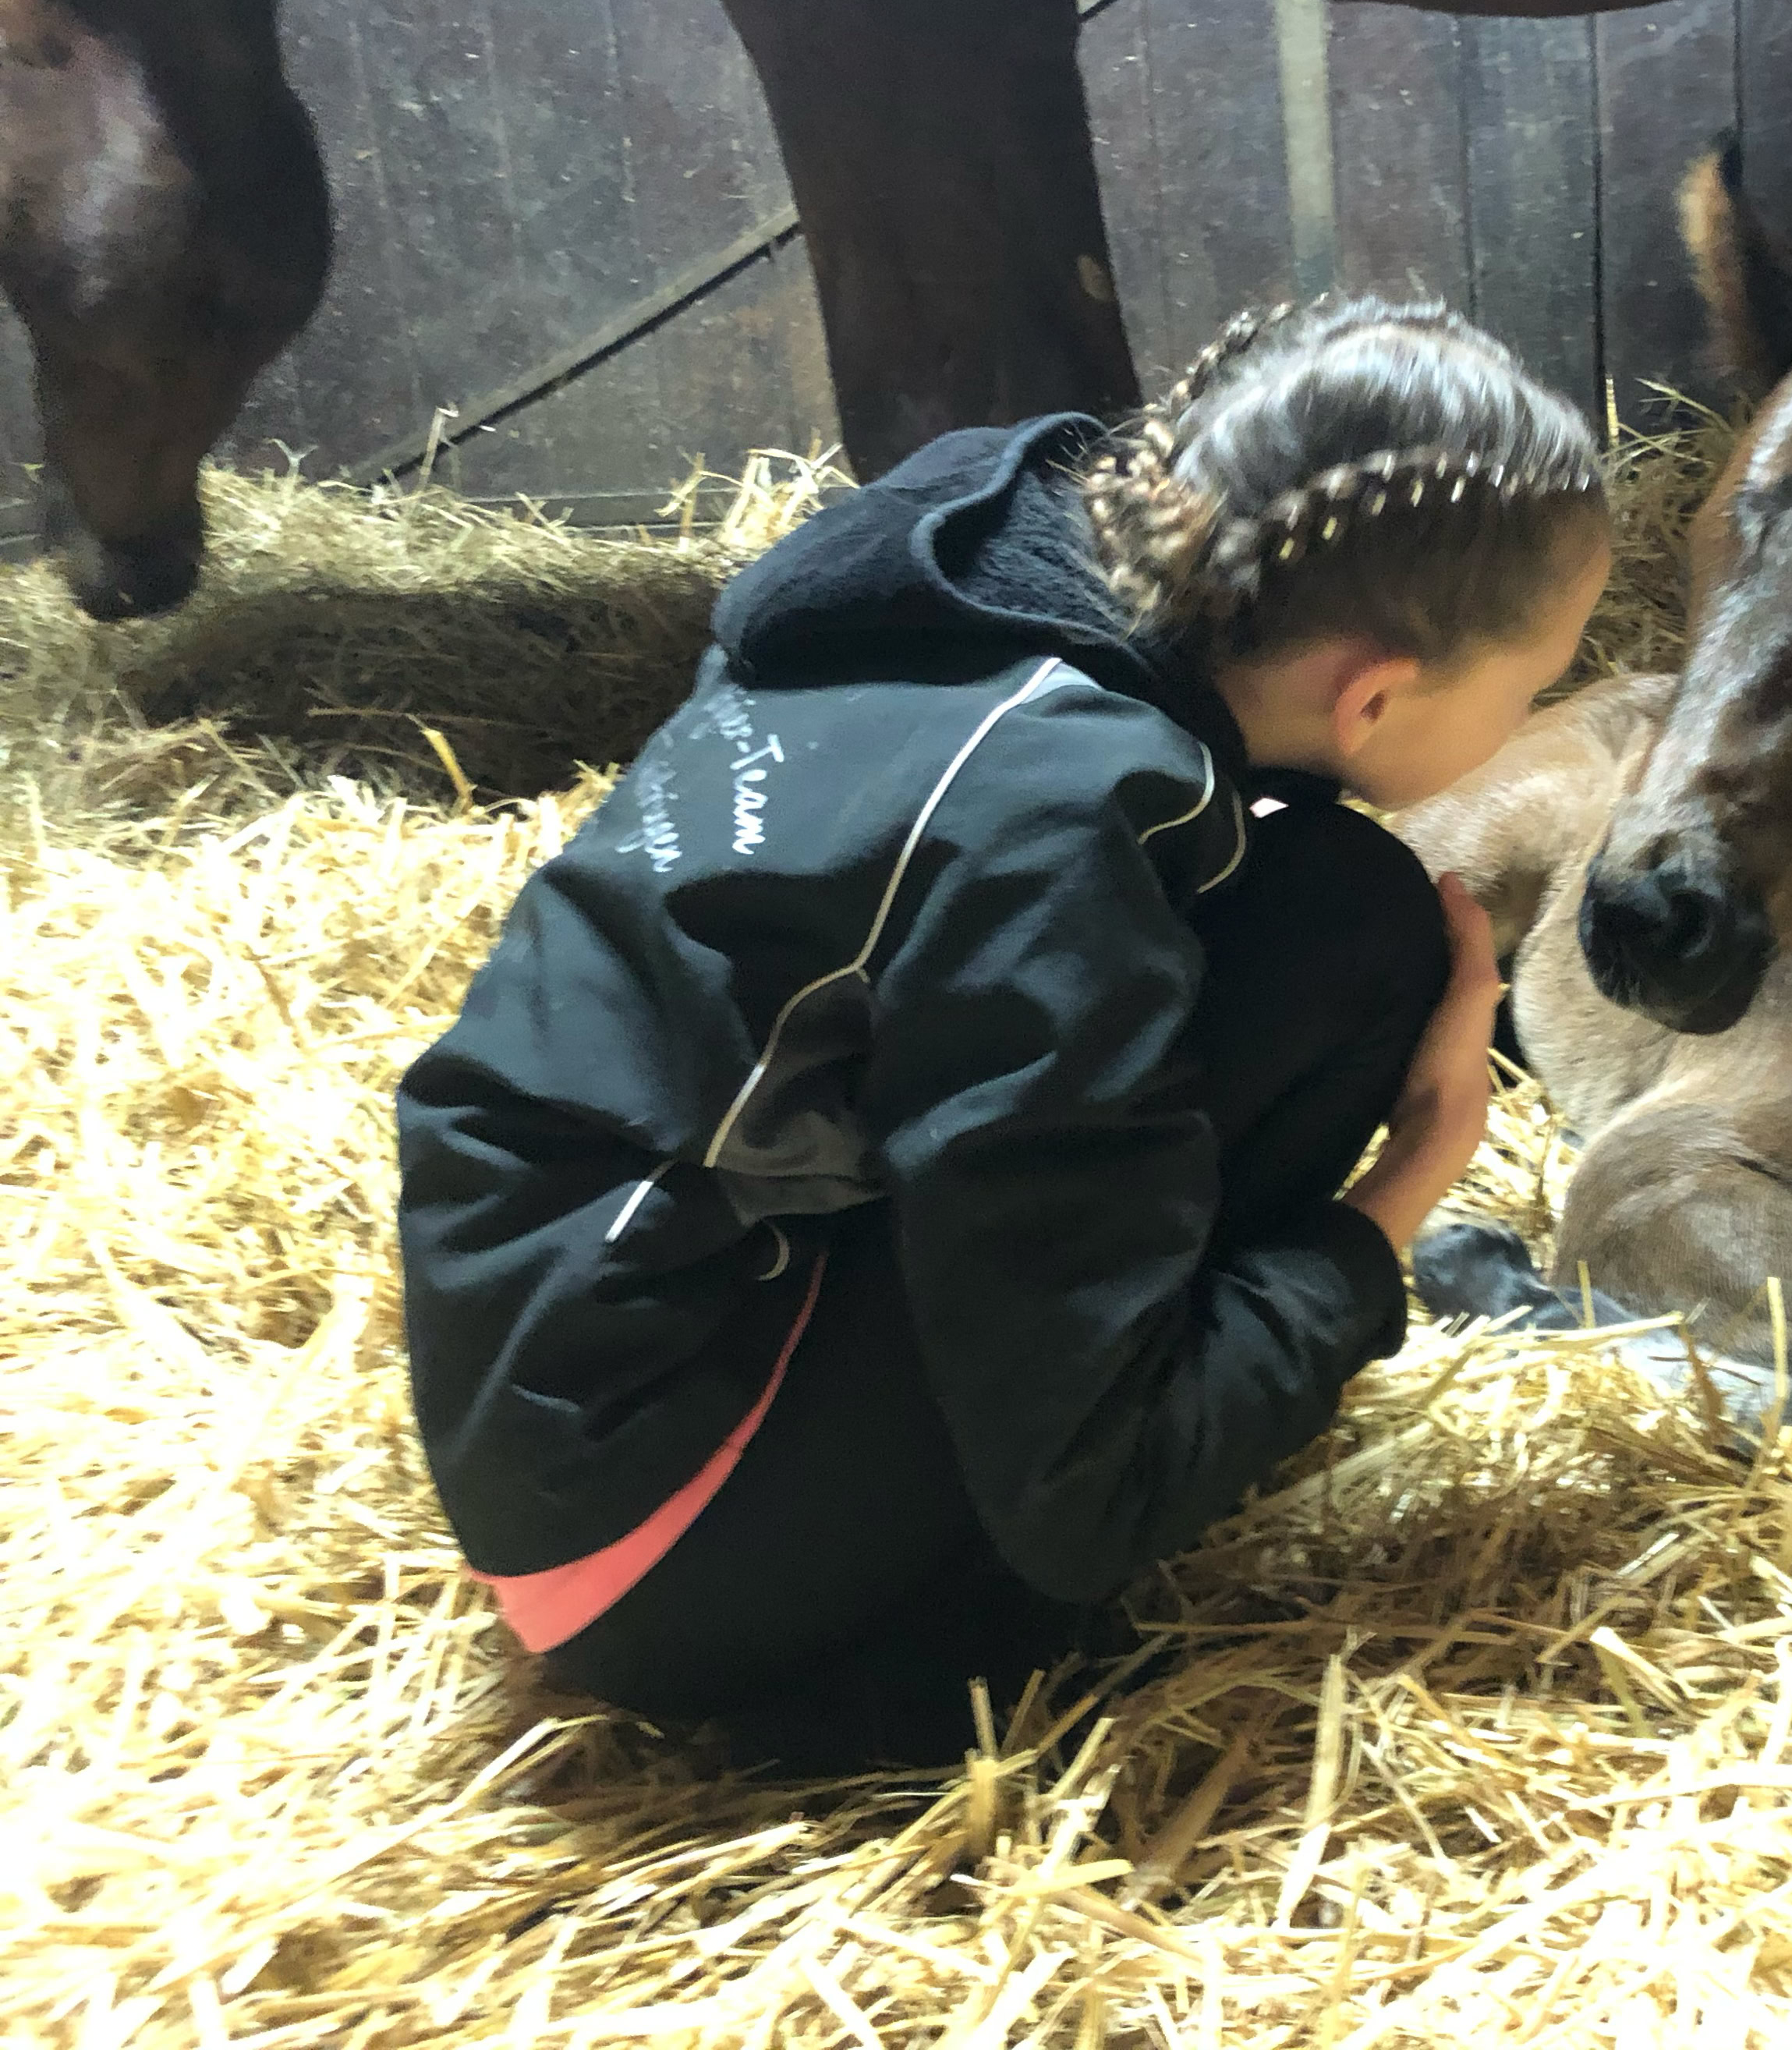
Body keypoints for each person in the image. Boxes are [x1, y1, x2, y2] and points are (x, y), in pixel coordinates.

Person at [396, 297, 1612, 1769]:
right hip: (655, 1551)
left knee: (1321, 904)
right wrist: (1408, 1182)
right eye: (1537, 688)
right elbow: (1091, 1495)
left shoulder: (981, 578)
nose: (1538, 711)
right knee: (1355, 938)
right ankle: (917, 1643)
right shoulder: (1049, 841)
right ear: (1374, 695)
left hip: (561, 1367)